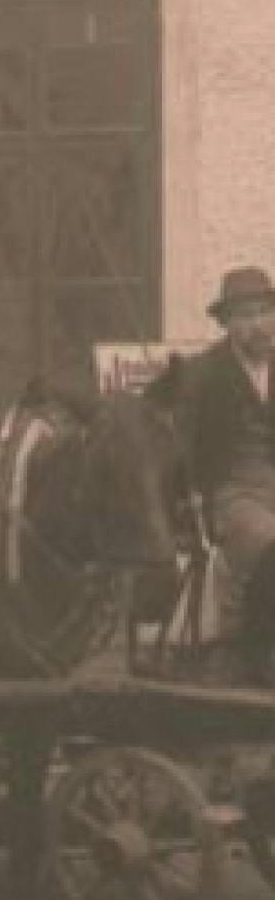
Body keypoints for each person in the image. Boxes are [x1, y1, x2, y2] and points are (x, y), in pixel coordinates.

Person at [178, 266, 275, 666]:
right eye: (245, 315)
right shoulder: (202, 373)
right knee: (267, 541)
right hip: (229, 491)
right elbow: (184, 447)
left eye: (265, 312)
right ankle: (248, 647)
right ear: (227, 323)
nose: (259, 325)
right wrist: (189, 502)